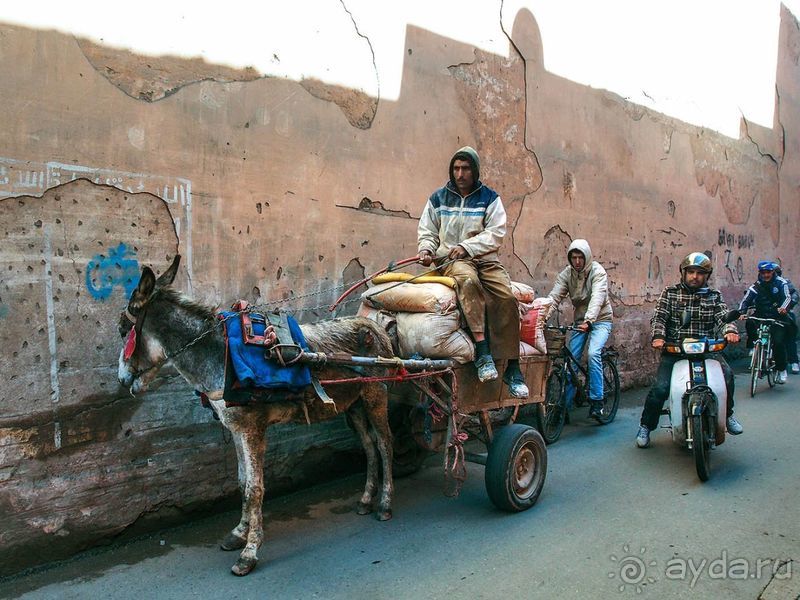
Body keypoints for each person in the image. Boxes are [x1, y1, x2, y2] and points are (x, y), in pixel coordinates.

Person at [417, 146, 528, 398]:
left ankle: (513, 367)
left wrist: (467, 246)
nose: (460, 173)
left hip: (485, 259)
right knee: (468, 282)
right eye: (456, 168)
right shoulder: (438, 198)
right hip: (452, 260)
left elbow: (496, 233)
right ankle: (483, 352)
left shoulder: (490, 198)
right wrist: (426, 249)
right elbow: (428, 230)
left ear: (475, 170)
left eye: (466, 168)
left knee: (506, 297)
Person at [636, 252, 743, 449]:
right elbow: (659, 318)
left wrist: (730, 331)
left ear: (707, 276)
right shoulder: (670, 293)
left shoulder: (714, 296)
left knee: (727, 375)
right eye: (691, 272)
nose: (695, 276)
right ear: (683, 273)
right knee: (660, 389)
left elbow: (723, 317)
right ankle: (646, 426)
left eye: (700, 273)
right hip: (675, 350)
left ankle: (727, 415)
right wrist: (658, 337)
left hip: (706, 349)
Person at [546, 239, 613, 420]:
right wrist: (541, 317)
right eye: (573, 257)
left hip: (600, 320)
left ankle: (598, 401)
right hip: (580, 322)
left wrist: (590, 320)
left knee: (593, 354)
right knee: (571, 359)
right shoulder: (567, 275)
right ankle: (563, 407)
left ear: (587, 257)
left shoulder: (598, 272)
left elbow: (598, 297)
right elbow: (555, 296)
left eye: (580, 257)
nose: (577, 261)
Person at [738, 261, 795, 384]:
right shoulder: (756, 286)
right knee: (750, 322)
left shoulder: (781, 283)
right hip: (761, 314)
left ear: (772, 272)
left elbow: (787, 297)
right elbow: (746, 300)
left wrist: (783, 308)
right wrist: (742, 312)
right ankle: (754, 344)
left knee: (778, 342)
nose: (766, 275)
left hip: (778, 316)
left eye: (768, 272)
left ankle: (781, 369)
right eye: (763, 273)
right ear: (760, 273)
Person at [774, 265, 800, 374]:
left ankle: (794, 361)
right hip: (769, 314)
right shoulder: (762, 284)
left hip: (785, 314)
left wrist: (788, 306)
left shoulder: (785, 283)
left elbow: (794, 295)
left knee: (789, 337)